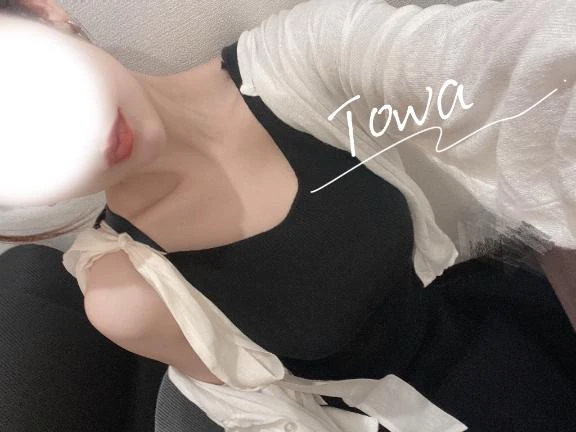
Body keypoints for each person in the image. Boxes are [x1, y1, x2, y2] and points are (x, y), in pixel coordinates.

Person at [1, 0, 576, 431]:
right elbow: (269, 411)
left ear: (43, 13)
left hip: (522, 299)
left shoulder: (298, 64)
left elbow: (513, 65)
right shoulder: (128, 294)